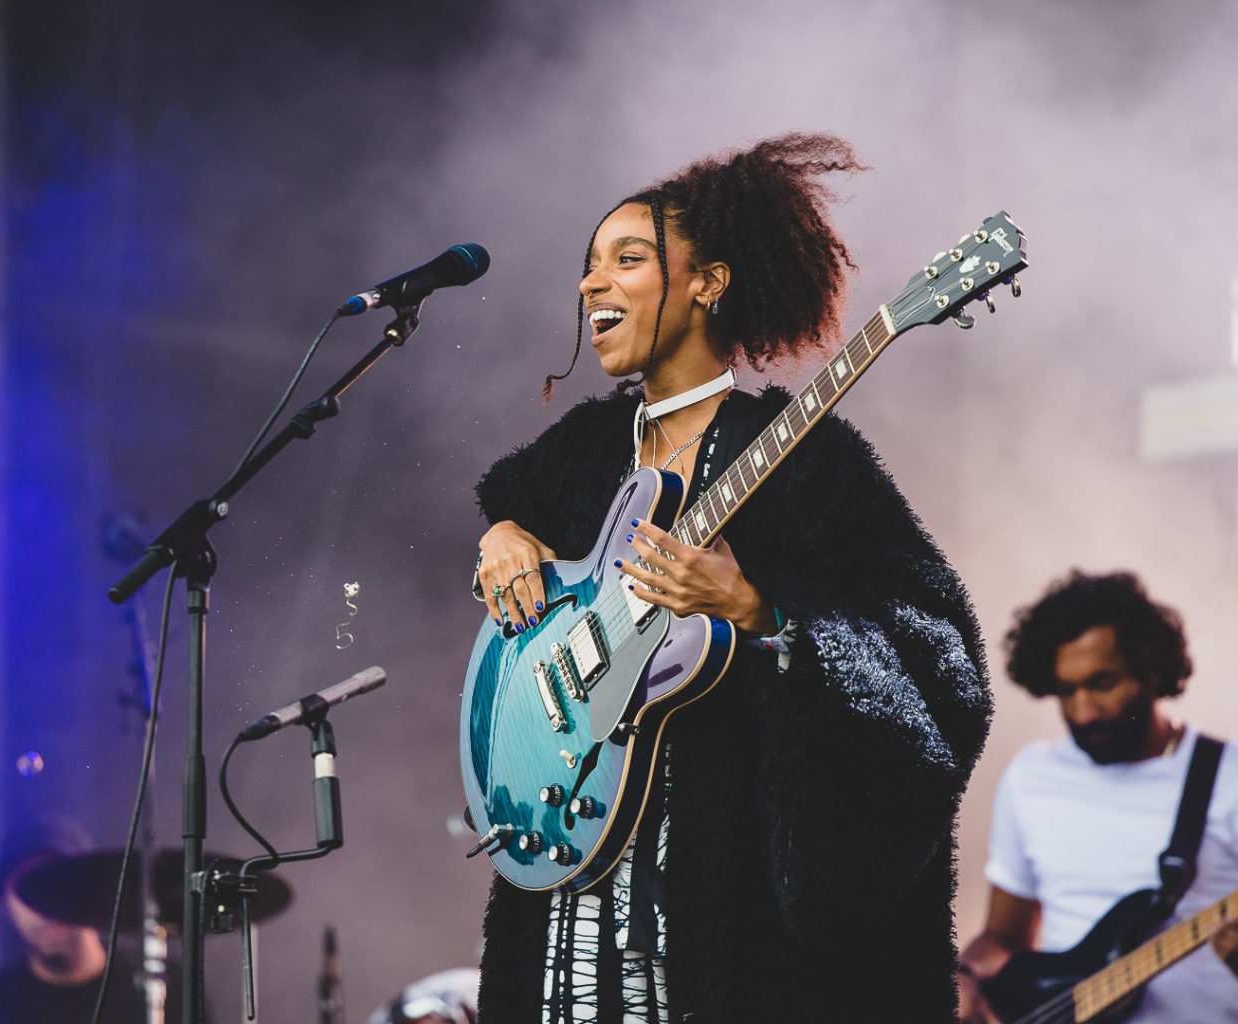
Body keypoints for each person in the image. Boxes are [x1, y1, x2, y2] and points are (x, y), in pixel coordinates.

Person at [470, 133, 992, 1023]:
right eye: (588, 266)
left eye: (626, 260)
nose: (590, 285)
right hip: (568, 873)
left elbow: (936, 657)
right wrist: (503, 535)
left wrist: (760, 609)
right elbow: (514, 531)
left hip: (721, 914)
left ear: (708, 282)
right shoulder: (578, 454)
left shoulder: (807, 456)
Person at [957, 571, 1238, 1023]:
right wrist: (963, 978)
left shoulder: (1229, 777)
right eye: (1067, 690)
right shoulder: (1032, 776)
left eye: (1102, 683)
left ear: (1153, 670)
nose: (1083, 711)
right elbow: (1002, 940)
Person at [0, 816, 148, 1024]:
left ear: (90, 888)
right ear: (5, 904)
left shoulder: (167, 990)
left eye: (56, 883)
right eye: (24, 891)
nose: (42, 906)